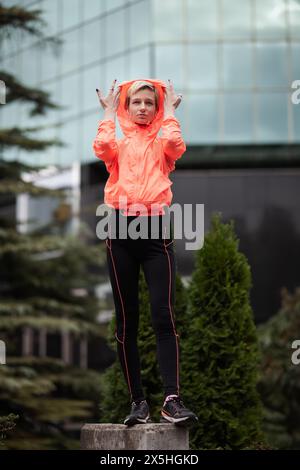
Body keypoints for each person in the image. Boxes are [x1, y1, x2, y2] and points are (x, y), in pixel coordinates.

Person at [93, 78, 198, 427]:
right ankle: (138, 402)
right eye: (136, 102)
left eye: (149, 103)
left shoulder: (163, 144)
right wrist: (108, 112)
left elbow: (174, 143)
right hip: (119, 230)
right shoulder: (118, 145)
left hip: (155, 233)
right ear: (127, 106)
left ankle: (172, 400)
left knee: (163, 316)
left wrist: (169, 112)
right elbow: (101, 147)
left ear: (156, 109)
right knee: (127, 321)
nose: (142, 107)